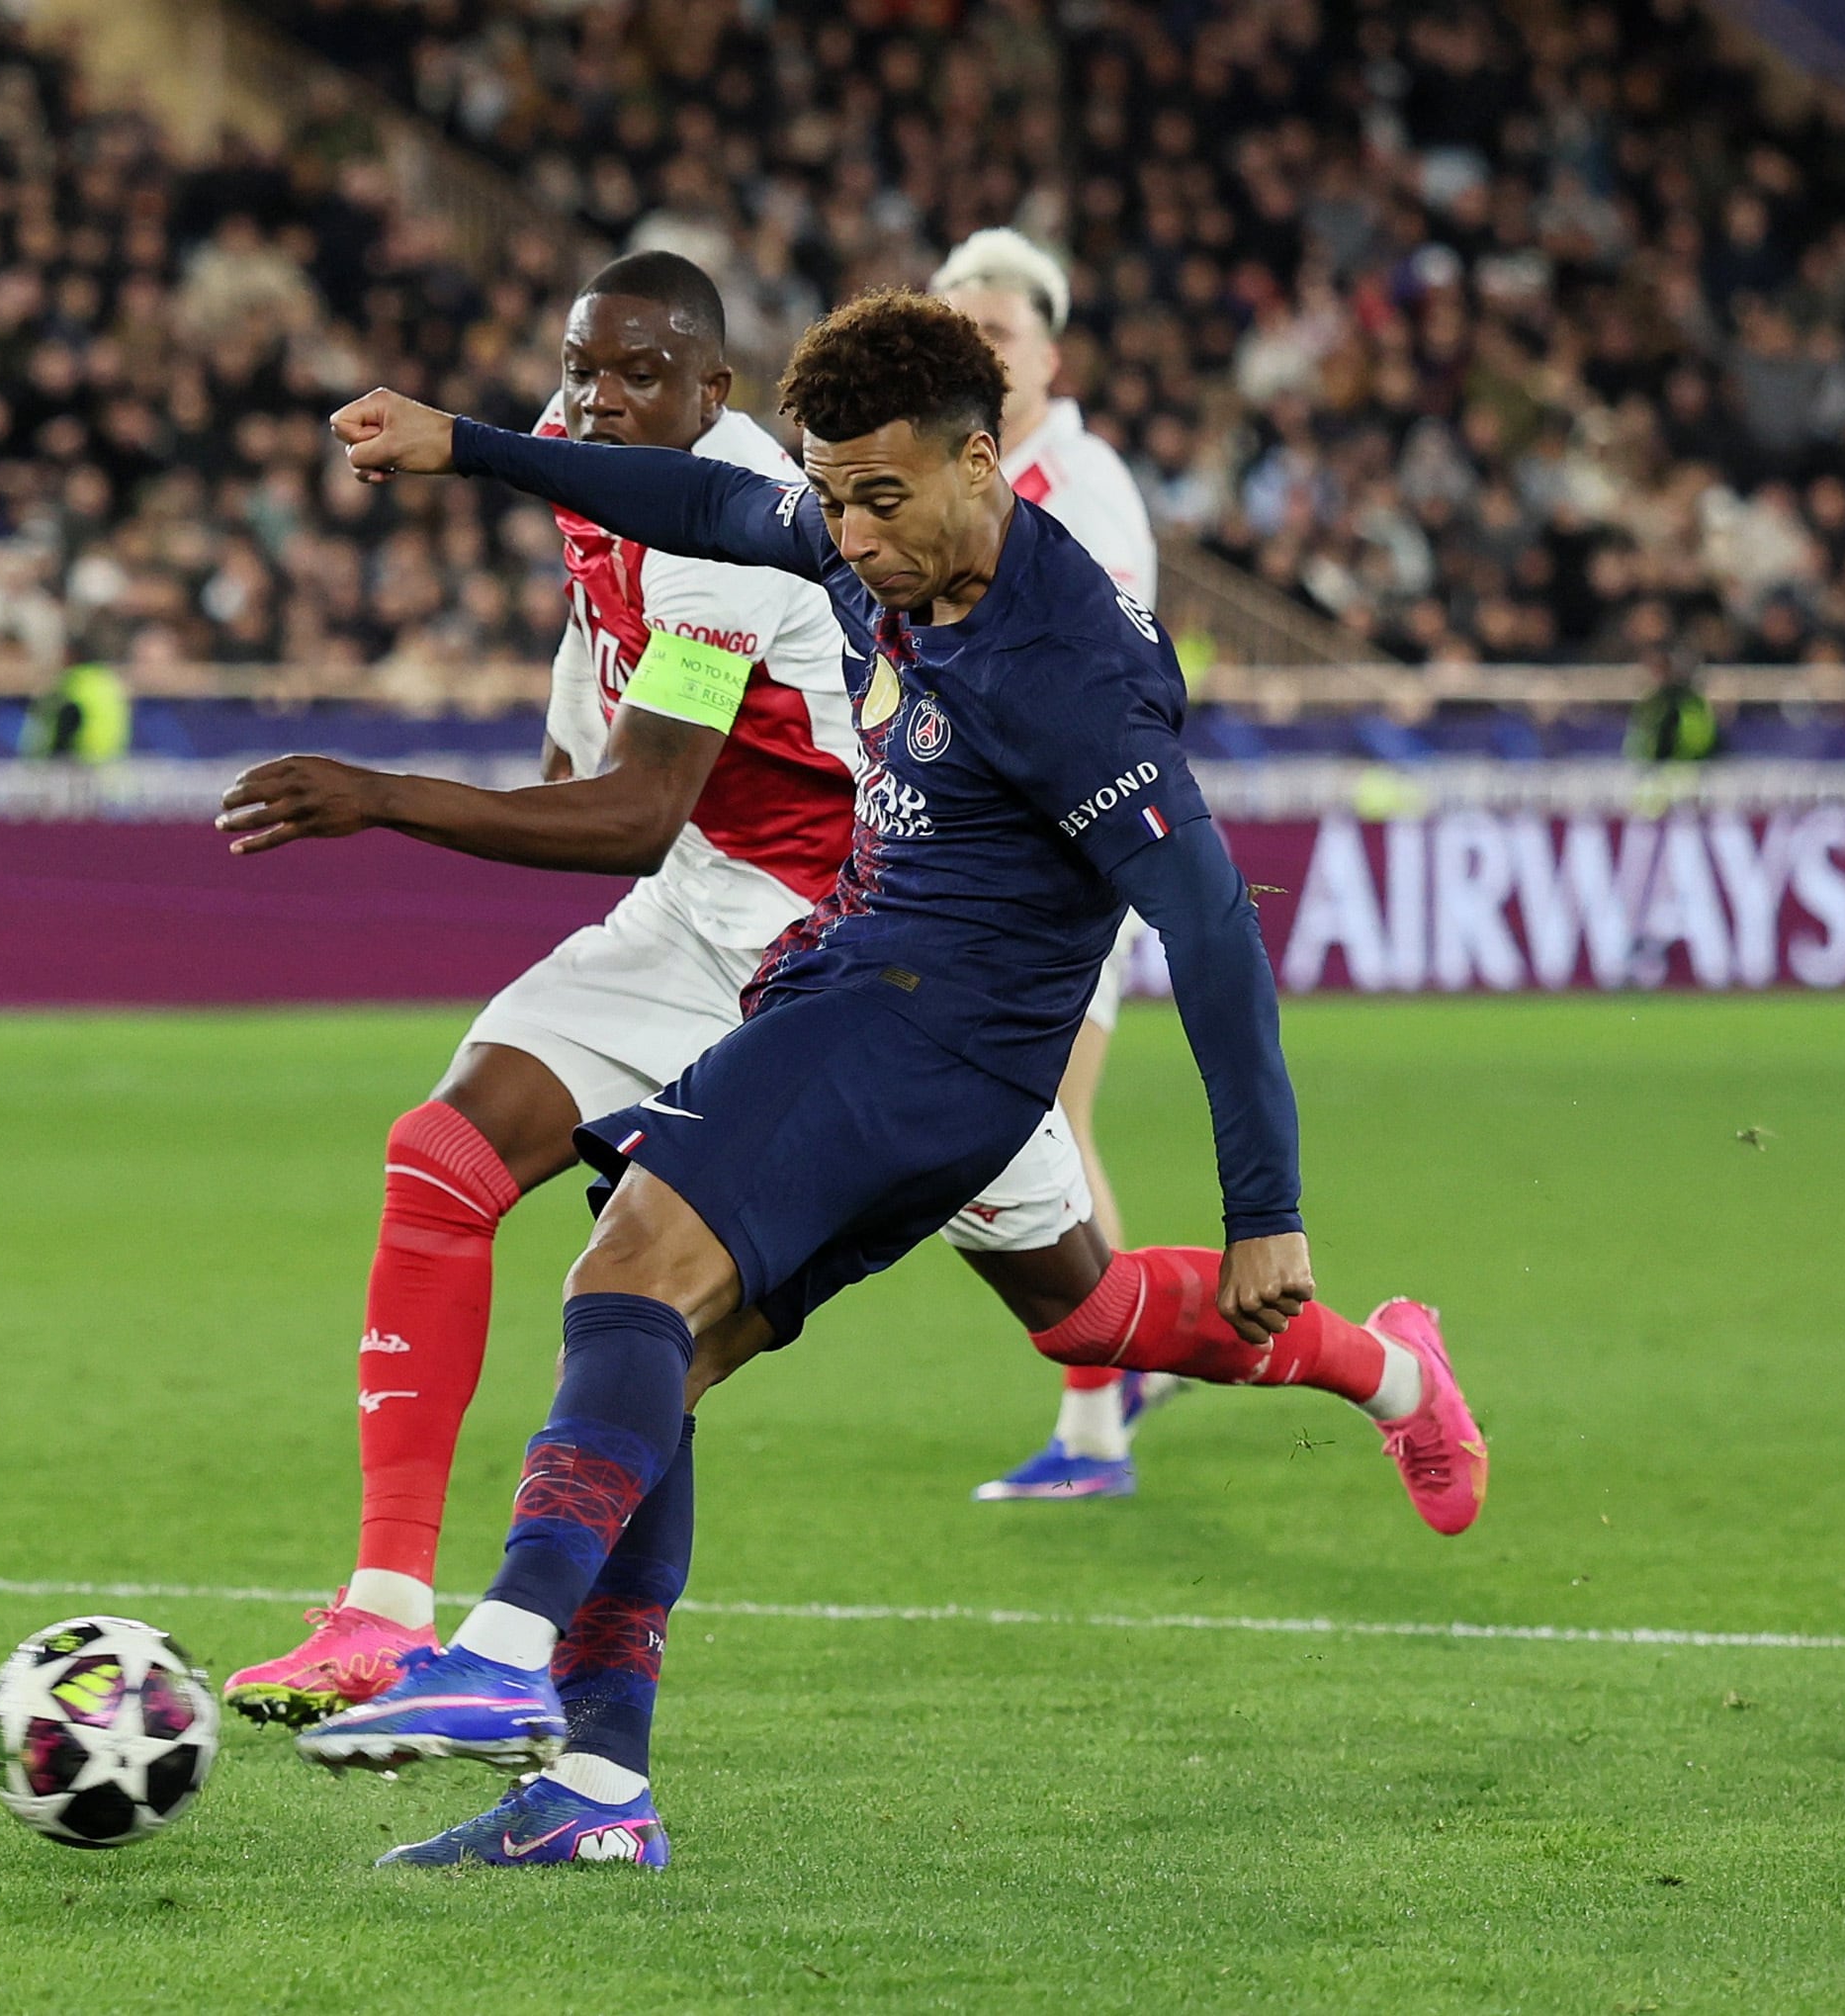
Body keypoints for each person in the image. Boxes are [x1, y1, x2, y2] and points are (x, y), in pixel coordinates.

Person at [295, 293, 1488, 1869]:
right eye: (836, 497)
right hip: (861, 994)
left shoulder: (1064, 666)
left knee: (627, 1264)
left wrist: (1268, 1211)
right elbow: (721, 504)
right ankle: (595, 1787)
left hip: (931, 1032)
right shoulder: (888, 539)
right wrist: (474, 450)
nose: (851, 537)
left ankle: (501, 1651)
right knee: (668, 1344)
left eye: (881, 499)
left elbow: (1207, 925)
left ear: (983, 463)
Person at [211, 252, 1121, 1729]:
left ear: (714, 392)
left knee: (1085, 1311)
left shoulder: (743, 519)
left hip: (853, 952)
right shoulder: (590, 466)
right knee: (454, 1167)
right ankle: (389, 1616)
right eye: (578, 366)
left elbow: (632, 809)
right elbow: (598, 694)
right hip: (701, 910)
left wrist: (377, 792)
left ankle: (1371, 1361)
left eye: (638, 374)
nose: (594, 399)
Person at [933, 228, 1178, 1500]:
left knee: (1042, 1125)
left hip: (1061, 854)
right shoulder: (950, 468)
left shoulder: (1076, 482)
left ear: (1049, 352)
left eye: (999, 332)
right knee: (1030, 1128)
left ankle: (1102, 1419)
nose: (977, 349)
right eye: (956, 327)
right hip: (976, 849)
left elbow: (1094, 668)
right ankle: (1148, 1351)